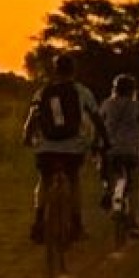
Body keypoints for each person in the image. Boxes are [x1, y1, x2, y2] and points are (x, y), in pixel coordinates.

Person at [21, 54, 109, 245]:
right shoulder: (82, 92)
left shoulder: (43, 92)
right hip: (72, 147)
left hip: (46, 147)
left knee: (44, 180)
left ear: (55, 70)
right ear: (73, 71)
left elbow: (33, 118)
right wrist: (105, 141)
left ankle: (38, 222)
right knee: (74, 180)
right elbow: (96, 119)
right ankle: (77, 225)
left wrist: (27, 138)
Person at [97, 73, 139, 236]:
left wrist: (96, 142)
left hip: (110, 148)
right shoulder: (137, 106)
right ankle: (133, 221)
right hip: (131, 150)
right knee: (134, 184)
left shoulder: (106, 104)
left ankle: (108, 191)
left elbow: (99, 123)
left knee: (107, 171)